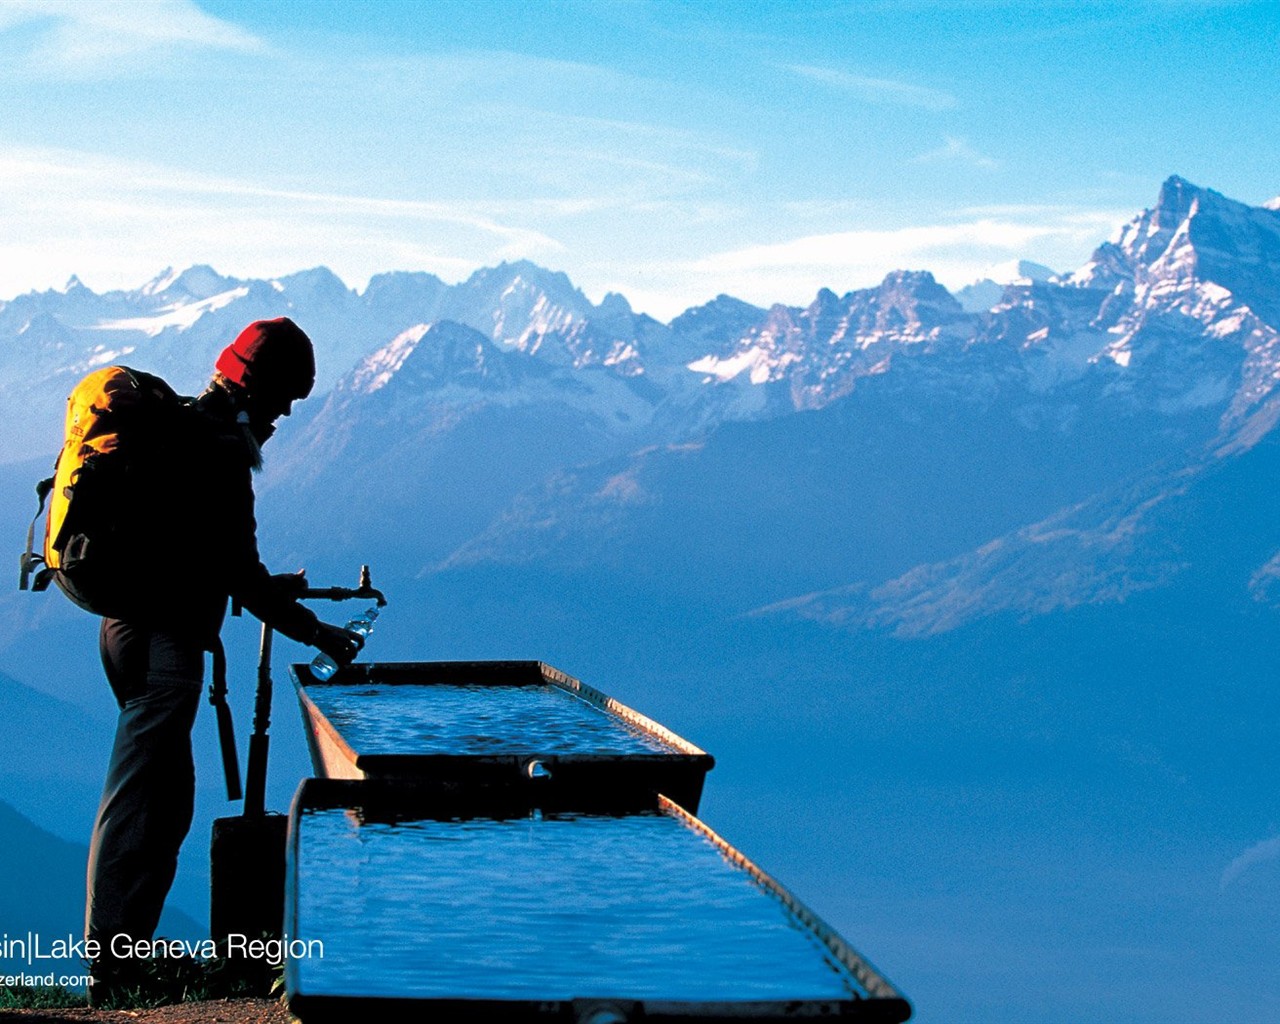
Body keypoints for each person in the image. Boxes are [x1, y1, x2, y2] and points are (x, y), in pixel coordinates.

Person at [84, 318, 361, 1000]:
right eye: (285, 395)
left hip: (132, 633)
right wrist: (319, 633)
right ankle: (112, 969)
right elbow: (235, 568)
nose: (287, 412)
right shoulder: (216, 449)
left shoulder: (182, 431)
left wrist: (266, 589)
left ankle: (124, 960)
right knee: (143, 804)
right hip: (164, 646)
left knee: (163, 800)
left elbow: (212, 559)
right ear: (253, 384)